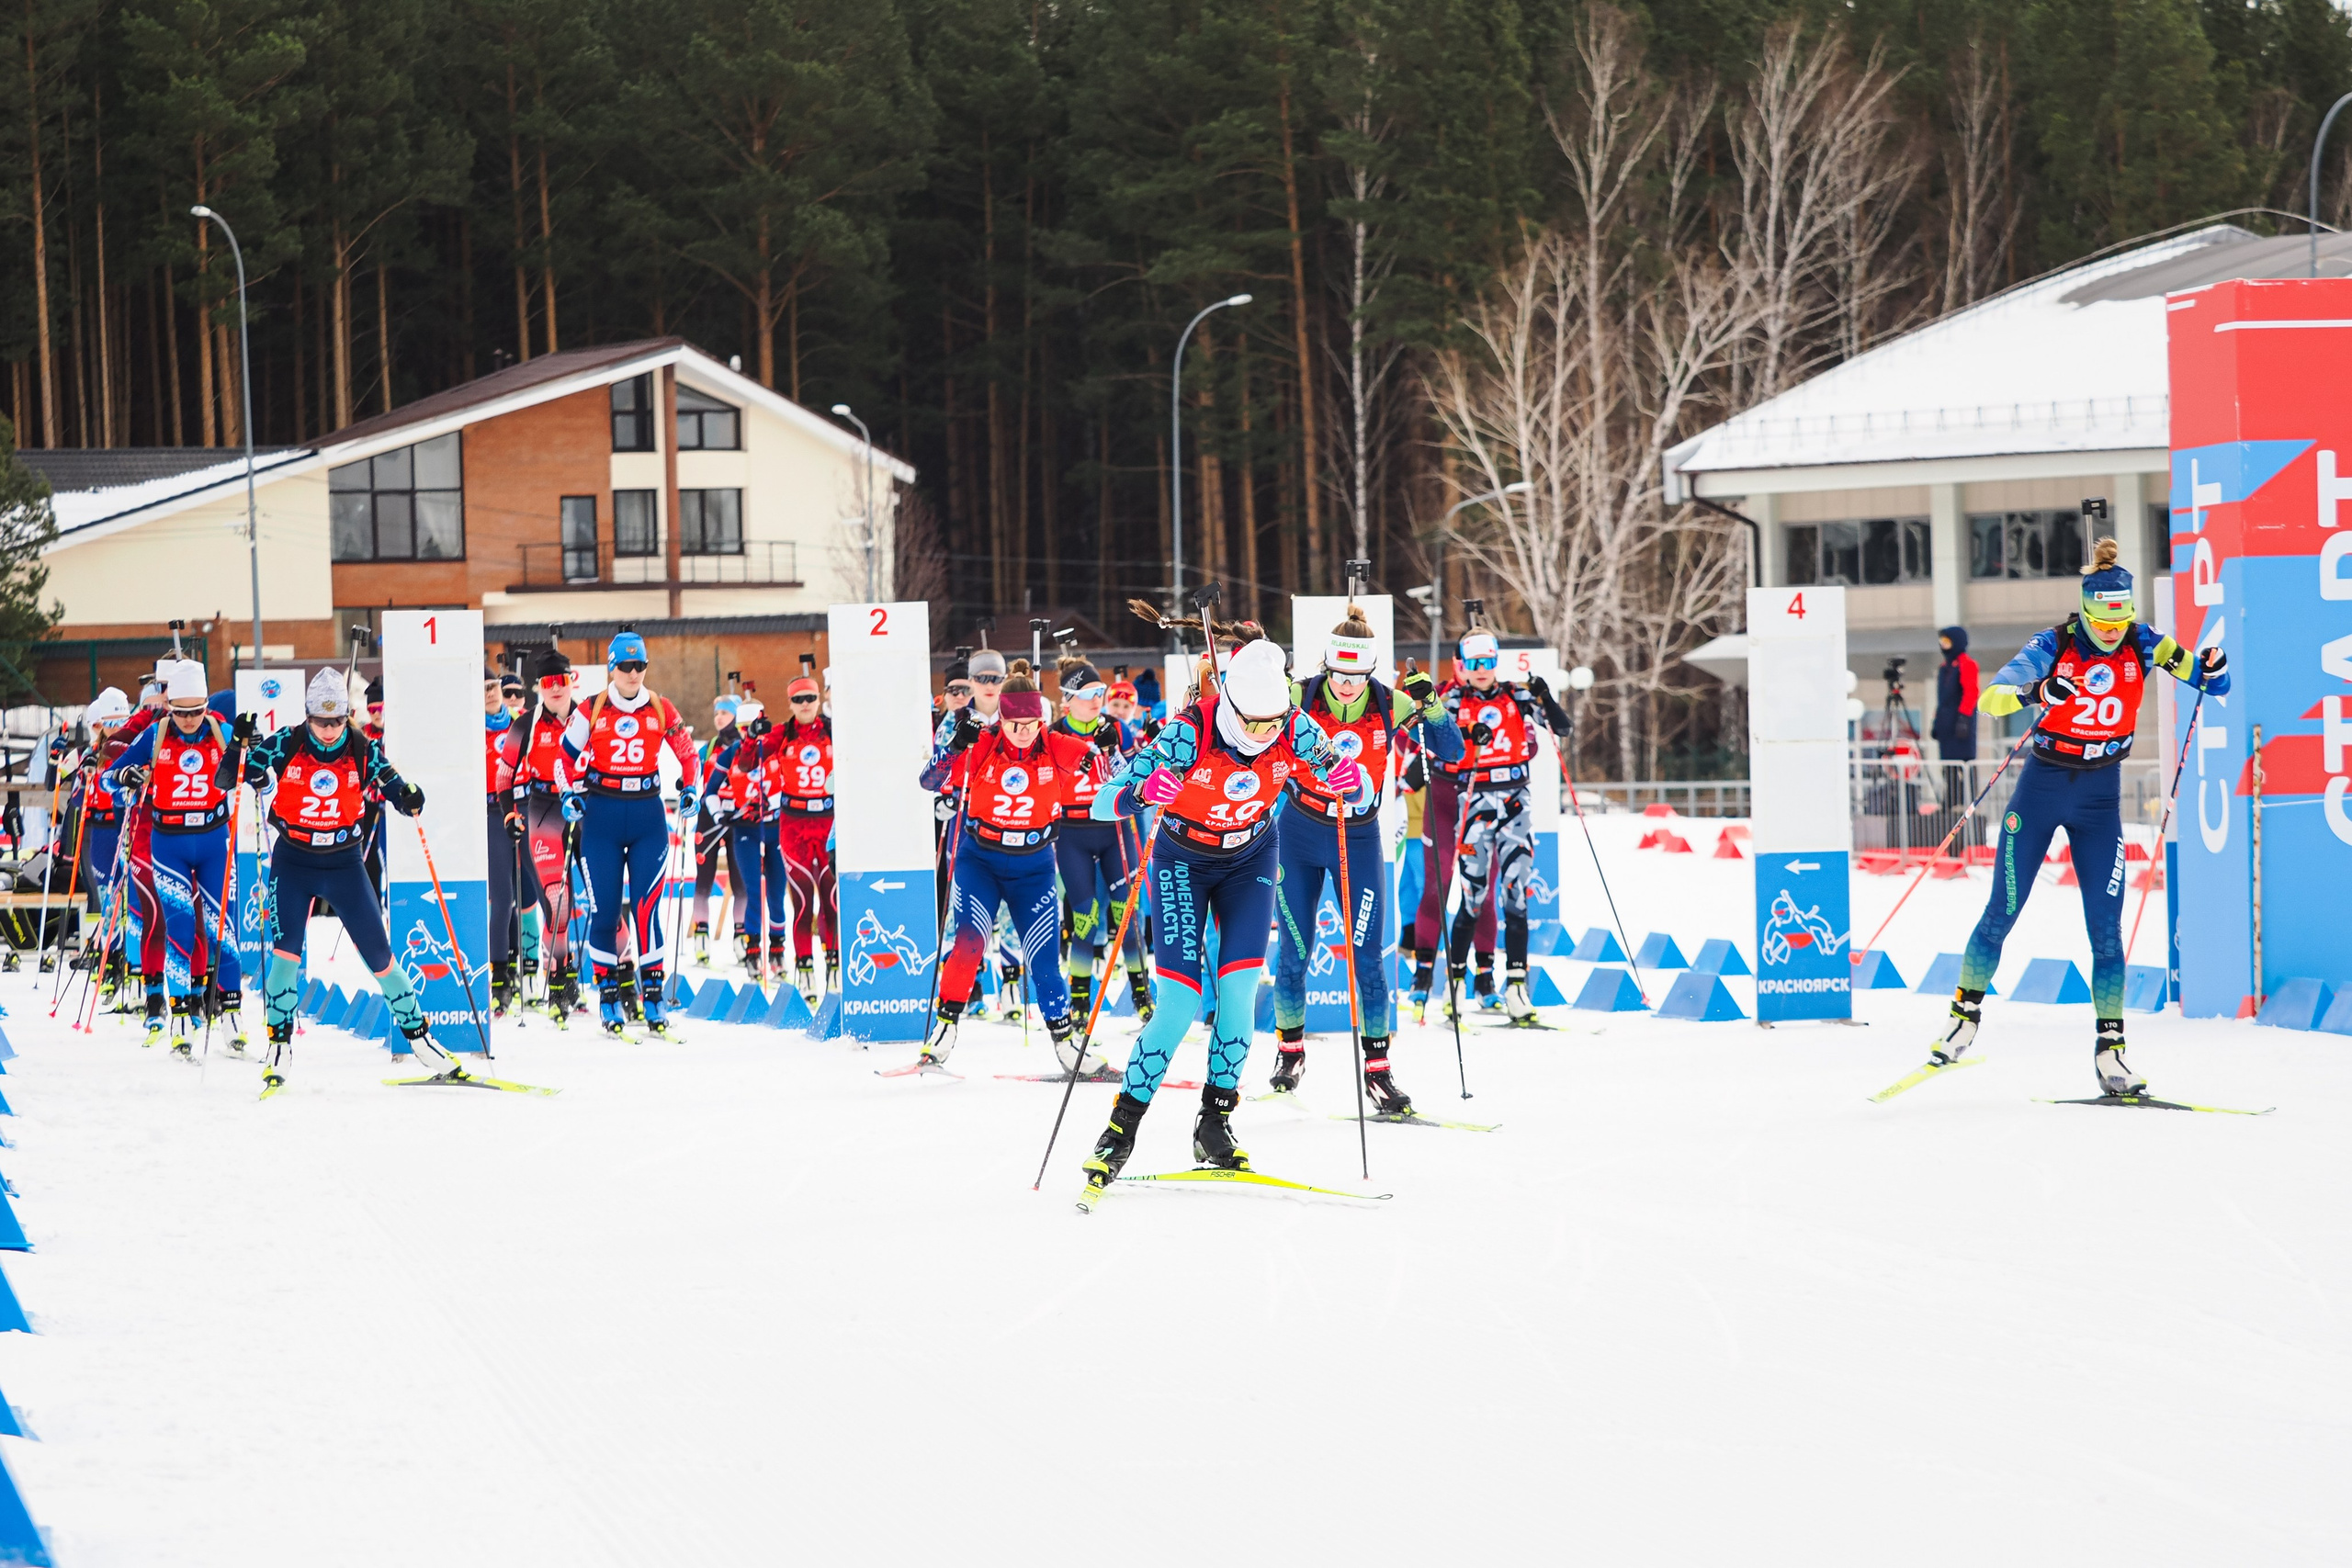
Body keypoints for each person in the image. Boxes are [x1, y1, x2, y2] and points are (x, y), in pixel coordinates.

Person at [1931, 537, 2229, 1095]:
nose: (2113, 631)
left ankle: (2111, 1053)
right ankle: (1962, 1020)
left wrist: (2213, 665)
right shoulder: (2055, 642)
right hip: (2043, 788)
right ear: (2086, 610)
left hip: (2100, 798)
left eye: (2122, 619)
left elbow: (2214, 682)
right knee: (2002, 911)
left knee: (2106, 932)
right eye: (2102, 620)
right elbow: (1990, 698)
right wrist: (2037, 689)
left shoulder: (2145, 642)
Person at [1076, 630, 1359, 1206]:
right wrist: (1141, 793)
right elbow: (1102, 801)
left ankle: (1214, 1124)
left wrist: (1350, 782)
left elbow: (1347, 777)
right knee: (1179, 1004)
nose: (1261, 735)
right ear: (1230, 705)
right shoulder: (1189, 733)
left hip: (1252, 856)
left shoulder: (1294, 725)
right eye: (1251, 723)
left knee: (1237, 997)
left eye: (1271, 723)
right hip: (1185, 858)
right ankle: (1120, 1131)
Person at [1270, 608, 1462, 1108]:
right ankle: (1290, 1053)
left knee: (1368, 960)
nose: (1349, 686)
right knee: (1293, 953)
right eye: (1340, 674)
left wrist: (1433, 708)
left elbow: (1453, 752)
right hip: (1299, 831)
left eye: (1358, 675)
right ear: (1327, 667)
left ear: (1370, 671)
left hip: (1357, 838)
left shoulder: (1389, 702)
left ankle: (1378, 1071)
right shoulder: (1300, 695)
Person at [230, 668, 434, 1093]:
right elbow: (231, 777)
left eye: (336, 721)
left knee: (381, 956)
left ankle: (421, 1040)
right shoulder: (288, 741)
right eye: (320, 722)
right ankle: (279, 1046)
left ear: (348, 717)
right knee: (285, 957)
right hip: (294, 861)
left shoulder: (362, 747)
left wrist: (409, 795)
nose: (328, 730)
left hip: (344, 862)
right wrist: (239, 748)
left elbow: (394, 785)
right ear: (307, 716)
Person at [917, 660, 1099, 1067]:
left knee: (1045, 959)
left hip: (1033, 867)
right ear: (1002, 716)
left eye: (1032, 722)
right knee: (968, 943)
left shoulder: (1056, 746)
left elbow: (1109, 773)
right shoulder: (981, 743)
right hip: (980, 859)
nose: (1024, 731)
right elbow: (928, 781)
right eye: (1015, 722)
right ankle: (944, 1029)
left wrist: (1115, 752)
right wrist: (953, 749)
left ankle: (1067, 1046)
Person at [101, 660, 247, 1053]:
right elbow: (107, 775)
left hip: (215, 839)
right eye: (179, 712)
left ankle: (231, 1017)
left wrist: (251, 749)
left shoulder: (221, 731)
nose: (187, 720)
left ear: (205, 706)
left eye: (195, 711)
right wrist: (126, 777)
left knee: (223, 930)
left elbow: (260, 768)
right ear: (170, 710)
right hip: (169, 843)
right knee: (180, 929)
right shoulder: (155, 733)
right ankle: (181, 1019)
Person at [560, 628, 698, 1036]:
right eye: (626, 666)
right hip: (601, 816)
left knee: (646, 909)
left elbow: (688, 755)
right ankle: (608, 996)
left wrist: (690, 788)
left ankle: (653, 996)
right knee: (604, 911)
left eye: (640, 666)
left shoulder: (660, 706)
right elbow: (561, 760)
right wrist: (569, 793)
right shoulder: (591, 708)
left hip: (647, 817)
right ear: (611, 668)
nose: (634, 674)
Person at [1441, 625, 1572, 1023]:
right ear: (1463, 664)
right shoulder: (1453, 698)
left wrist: (1546, 697)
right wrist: (1464, 734)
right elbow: (1434, 744)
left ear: (1497, 660)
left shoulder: (1516, 694)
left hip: (1516, 802)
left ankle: (1517, 988)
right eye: (1473, 663)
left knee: (1516, 895)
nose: (1481, 670)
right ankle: (1456, 988)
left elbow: (1561, 728)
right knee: (1473, 897)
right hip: (1475, 802)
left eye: (1488, 661)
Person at [1048, 657, 1150, 1029]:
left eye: (1099, 693)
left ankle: (1142, 997)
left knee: (1128, 915)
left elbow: (1137, 781)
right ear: (1068, 699)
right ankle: (1078, 1000)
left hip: (1115, 831)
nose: (1096, 700)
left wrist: (1115, 752)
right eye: (1088, 694)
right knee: (1085, 916)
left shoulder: (1117, 729)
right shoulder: (1054, 733)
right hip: (1073, 833)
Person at [505, 649, 584, 1022]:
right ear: (539, 687)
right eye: (549, 683)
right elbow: (504, 776)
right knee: (557, 899)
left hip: (586, 808)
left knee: (603, 898)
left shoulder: (589, 717)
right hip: (545, 809)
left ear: (572, 682)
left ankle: (623, 977)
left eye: (562, 681)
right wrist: (508, 812)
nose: (556, 689)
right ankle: (558, 978)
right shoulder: (526, 723)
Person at [760, 670, 840, 998]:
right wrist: (754, 737)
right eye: (798, 699)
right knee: (803, 902)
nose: (806, 704)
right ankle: (804, 967)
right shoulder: (783, 733)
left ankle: (834, 967)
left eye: (811, 697)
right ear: (790, 703)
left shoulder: (833, 729)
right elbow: (752, 759)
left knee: (832, 901)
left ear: (819, 699)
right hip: (793, 825)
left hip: (829, 822)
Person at [484, 672, 544, 1016]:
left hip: (527, 805)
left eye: (493, 688)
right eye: (484, 691)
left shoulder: (523, 725)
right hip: (494, 812)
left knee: (537, 890)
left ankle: (538, 970)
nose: (491, 695)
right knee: (503, 898)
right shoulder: (474, 730)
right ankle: (501, 980)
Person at [715, 698, 787, 979]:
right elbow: (711, 791)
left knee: (777, 895)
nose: (750, 735)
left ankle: (778, 951)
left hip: (775, 829)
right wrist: (722, 812)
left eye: (754, 728)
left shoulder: (776, 751)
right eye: (743, 728)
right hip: (745, 830)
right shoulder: (731, 753)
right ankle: (753, 950)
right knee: (753, 893)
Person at [690, 694, 745, 964]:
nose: (719, 718)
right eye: (716, 714)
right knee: (704, 879)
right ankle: (701, 939)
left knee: (741, 881)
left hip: (736, 818)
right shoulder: (710, 746)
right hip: (709, 818)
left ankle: (743, 941)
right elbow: (692, 768)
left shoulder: (745, 746)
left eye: (725, 713)